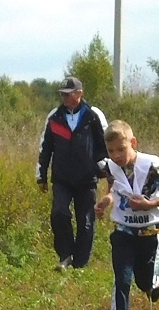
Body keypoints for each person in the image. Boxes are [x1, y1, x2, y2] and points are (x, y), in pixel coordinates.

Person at [94, 120, 159, 310]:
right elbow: (115, 189)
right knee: (122, 279)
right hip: (123, 232)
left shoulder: (150, 167)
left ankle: (154, 284)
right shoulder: (111, 167)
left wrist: (150, 203)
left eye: (121, 149)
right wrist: (106, 201)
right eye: (111, 151)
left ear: (133, 143)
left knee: (144, 282)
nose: (117, 155)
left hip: (150, 233)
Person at [36, 76, 108, 271]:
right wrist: (41, 175)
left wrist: (107, 172)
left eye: (68, 94)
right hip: (62, 178)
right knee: (59, 213)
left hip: (87, 178)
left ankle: (80, 263)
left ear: (79, 94)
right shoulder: (54, 116)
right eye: (62, 94)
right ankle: (65, 256)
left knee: (85, 221)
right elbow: (45, 147)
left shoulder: (93, 115)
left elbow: (106, 145)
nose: (65, 98)